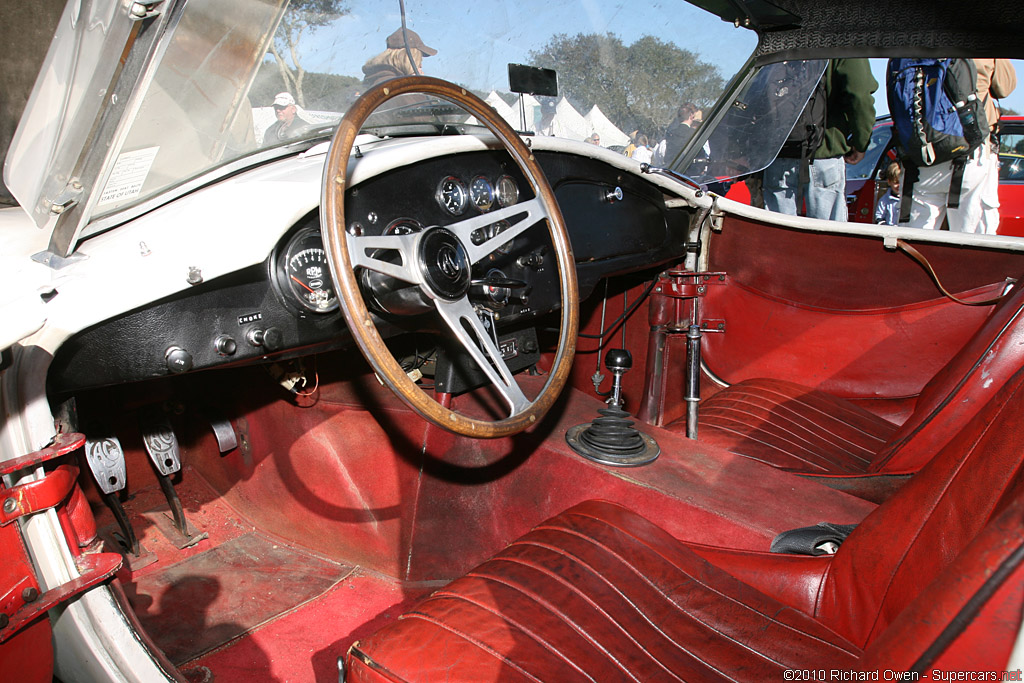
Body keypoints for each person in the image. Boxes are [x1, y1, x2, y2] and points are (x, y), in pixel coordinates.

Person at [902, 59, 1016, 234]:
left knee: (915, 238)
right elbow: (1004, 87)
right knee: (971, 242)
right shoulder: (984, 44)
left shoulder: (914, 40)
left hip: (922, 155)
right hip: (971, 151)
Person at [763, 59, 877, 221]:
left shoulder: (784, 37)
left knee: (778, 232)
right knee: (828, 236)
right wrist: (861, 143)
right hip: (823, 151)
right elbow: (859, 96)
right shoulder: (842, 40)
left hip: (779, 152)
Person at [361, 28, 437, 89]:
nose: (421, 66)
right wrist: (417, 86)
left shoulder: (377, 81)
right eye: (418, 61)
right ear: (407, 58)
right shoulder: (396, 89)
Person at [875, 161, 902, 225]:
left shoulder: (908, 199)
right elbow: (879, 216)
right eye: (896, 182)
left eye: (901, 183)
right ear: (889, 182)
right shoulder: (884, 200)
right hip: (889, 231)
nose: (899, 186)